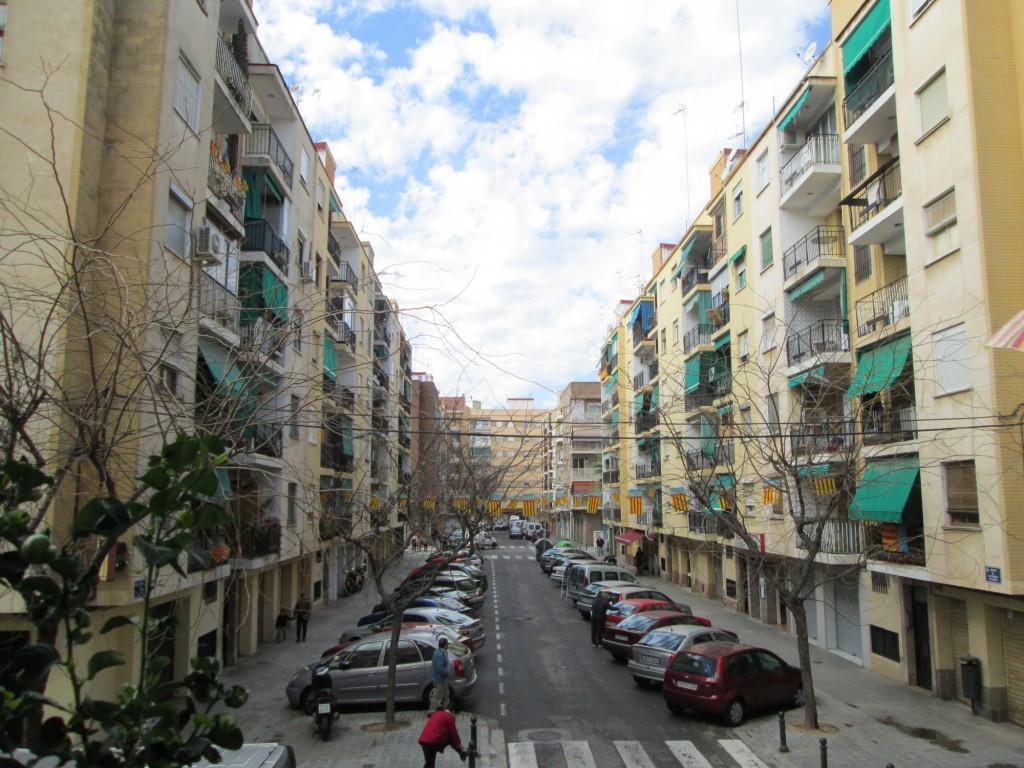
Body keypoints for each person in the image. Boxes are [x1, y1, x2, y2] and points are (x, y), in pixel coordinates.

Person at [418, 703, 468, 767]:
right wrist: (459, 745)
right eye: (456, 714)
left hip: (424, 740)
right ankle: (462, 753)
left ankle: (462, 754)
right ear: (453, 712)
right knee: (451, 738)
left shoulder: (437, 713)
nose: (455, 716)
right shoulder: (450, 717)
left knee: (429, 763)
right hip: (434, 742)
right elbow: (453, 733)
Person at [428, 637, 451, 713]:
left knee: (445, 695)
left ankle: (446, 710)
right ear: (445, 645)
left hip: (443, 679)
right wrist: (446, 673)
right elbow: (440, 667)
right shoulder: (439, 654)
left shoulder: (443, 652)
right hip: (439, 680)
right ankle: (432, 712)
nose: (448, 645)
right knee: (437, 697)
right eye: (447, 644)